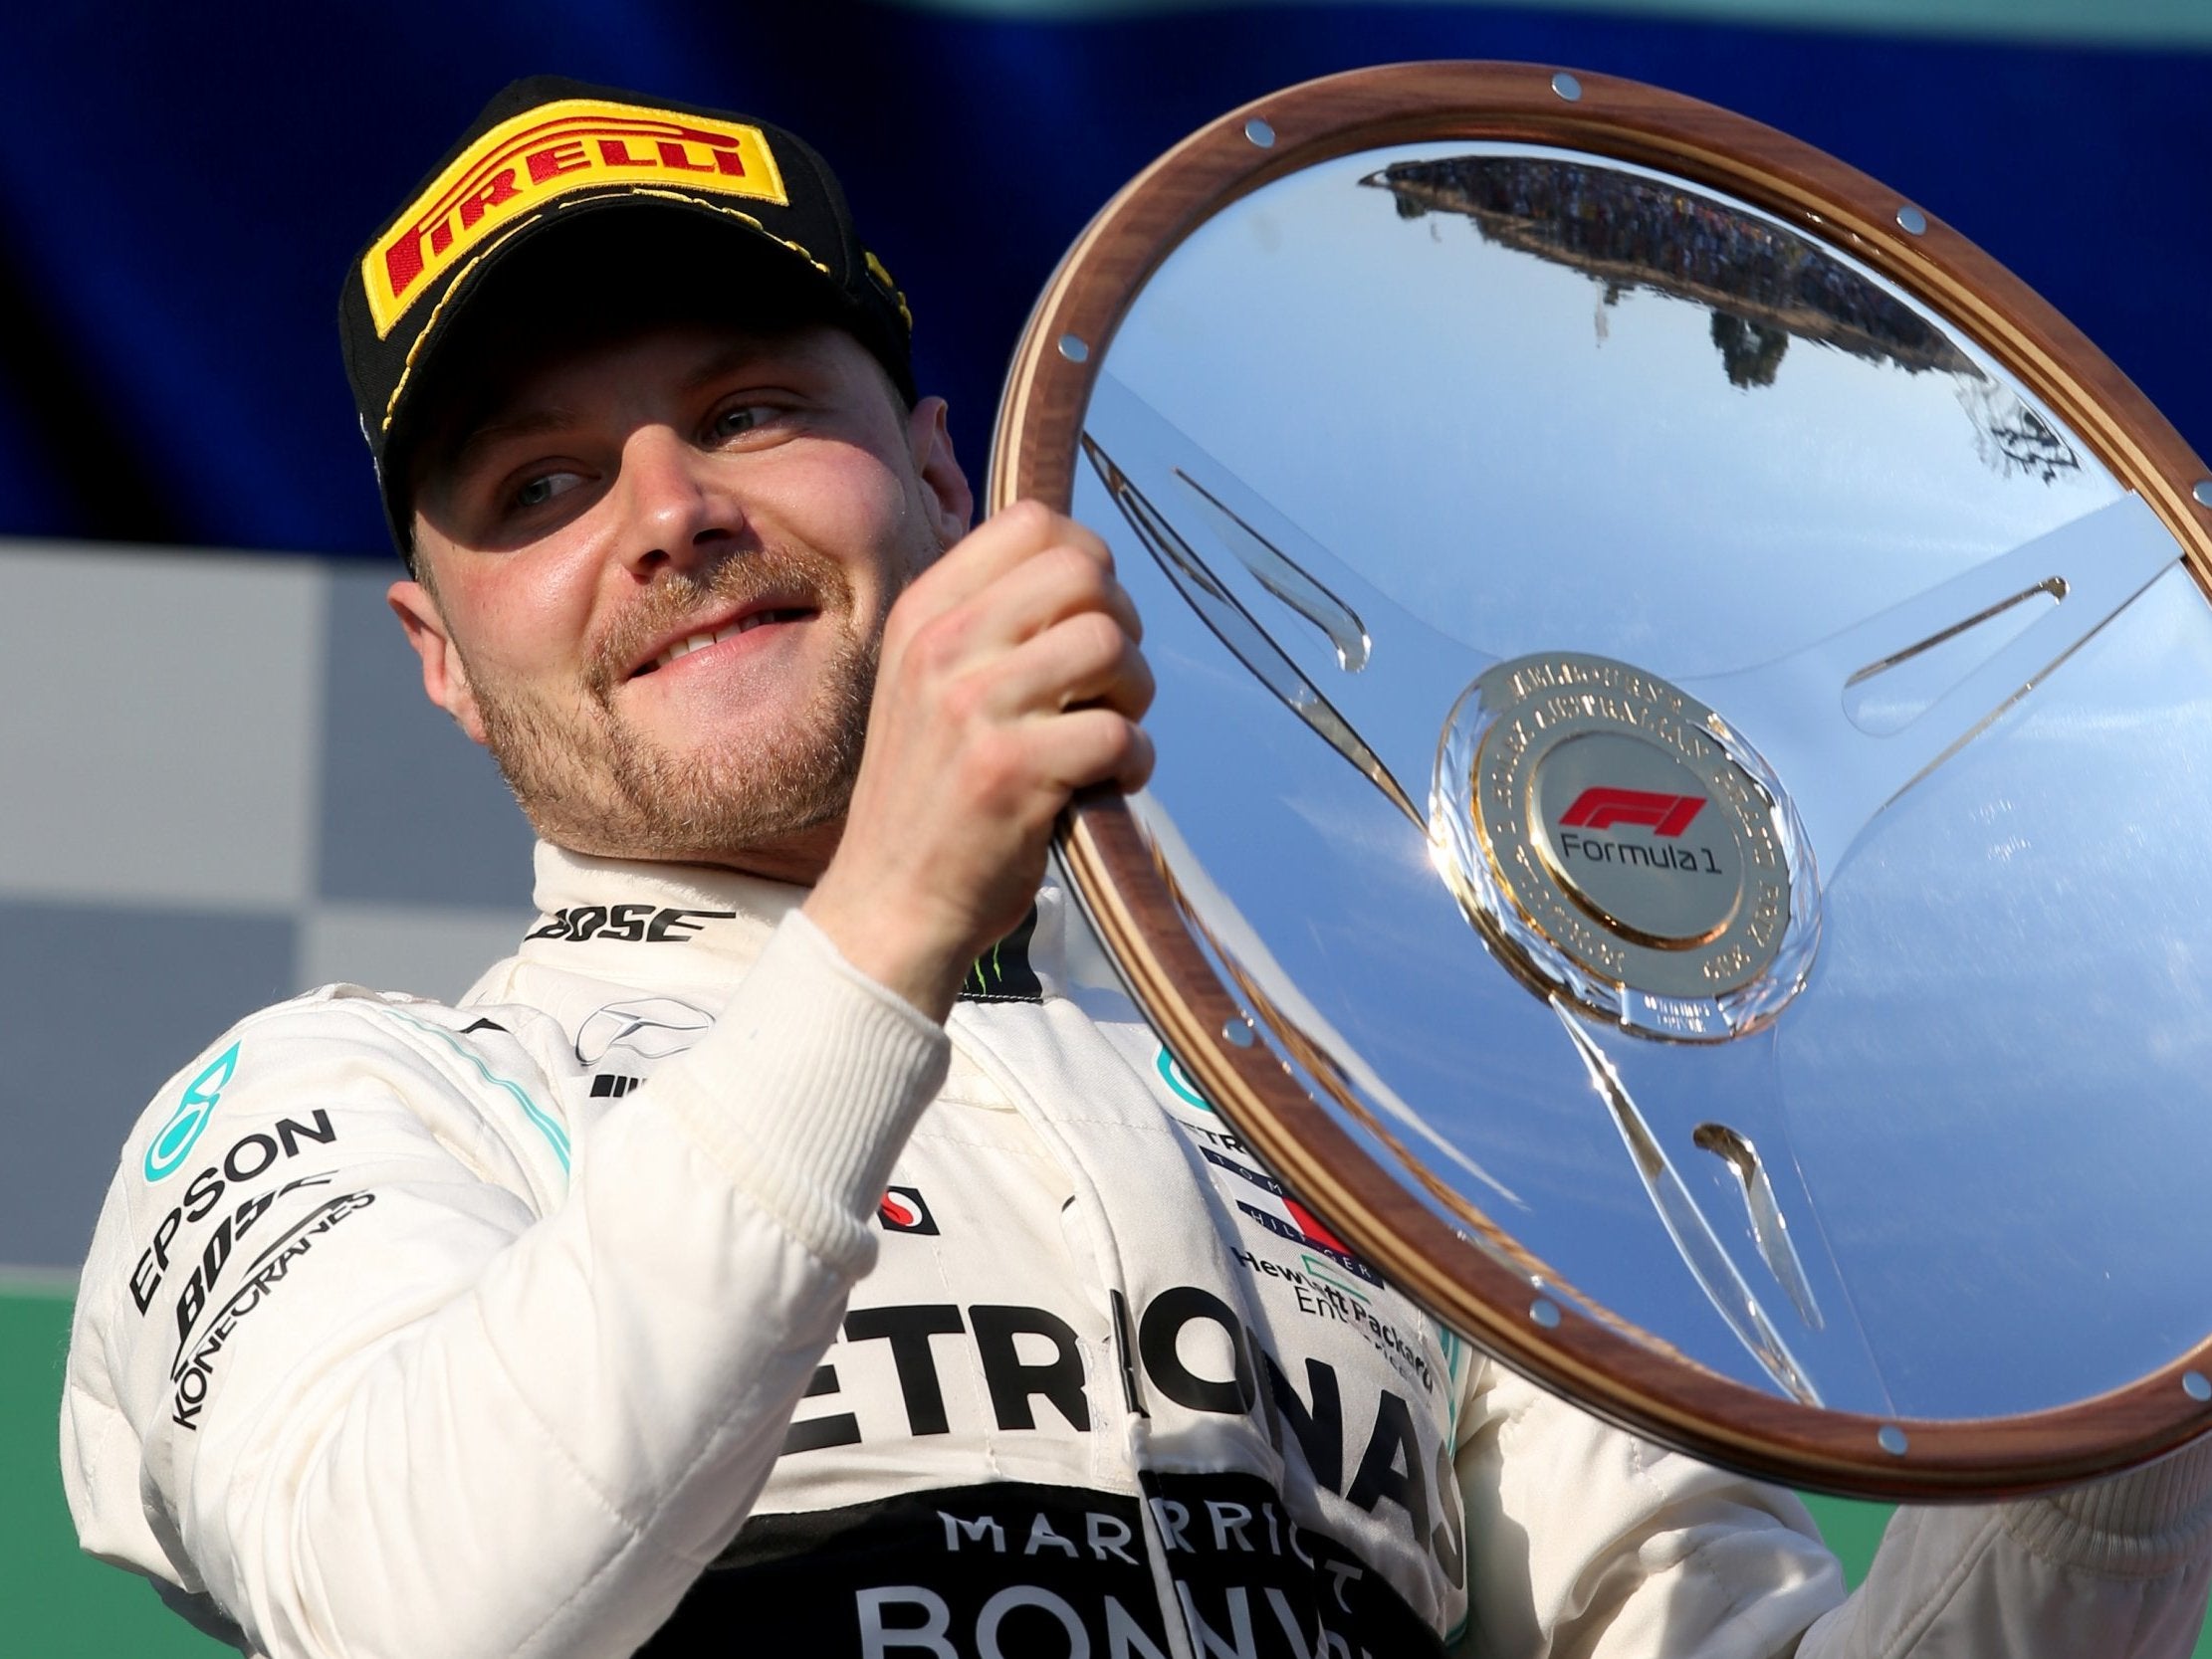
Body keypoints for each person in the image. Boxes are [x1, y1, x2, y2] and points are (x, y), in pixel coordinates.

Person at [60, 76, 2212, 1659]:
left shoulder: (1366, 1085)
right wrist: (890, 919)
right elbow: (423, 1615)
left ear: (933, 469)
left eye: (739, 412)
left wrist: (2138, 1337)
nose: (666, 512)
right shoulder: (326, 1110)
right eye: (538, 482)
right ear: (439, 658)